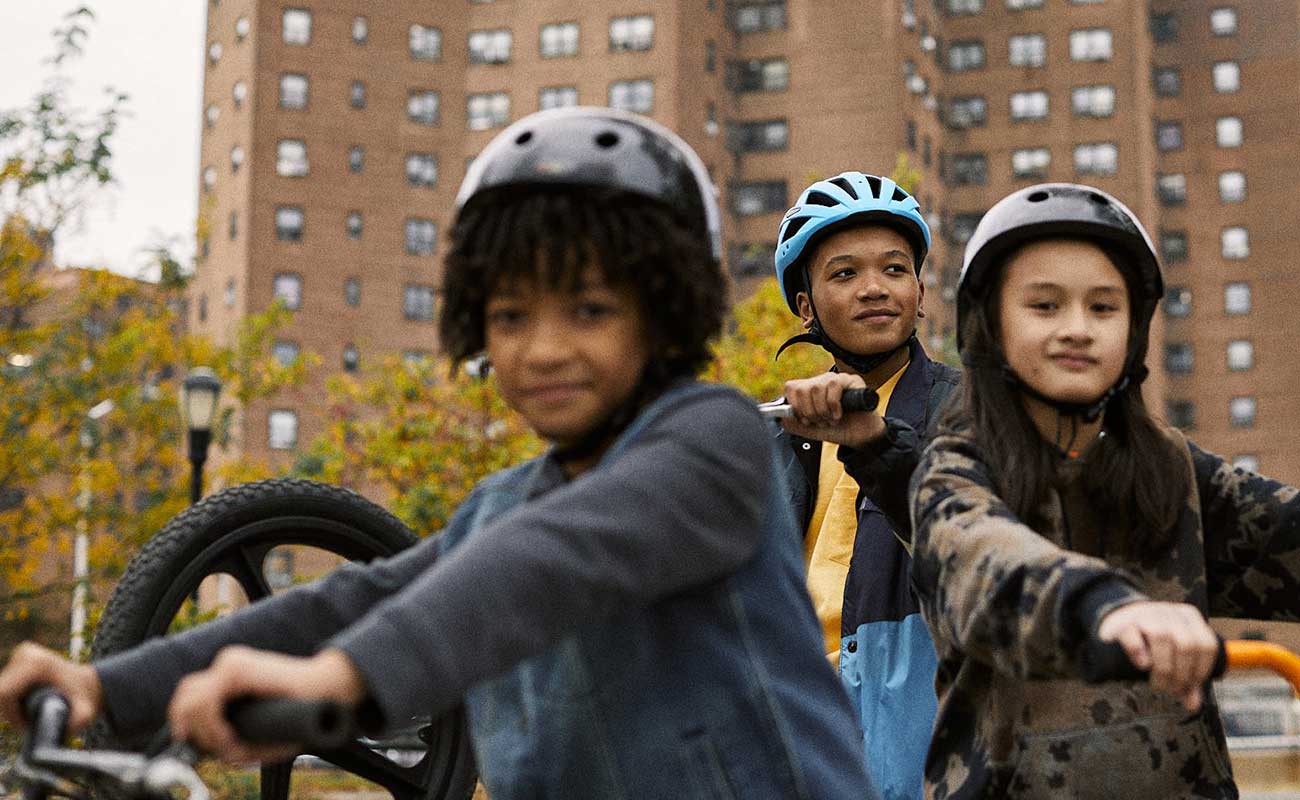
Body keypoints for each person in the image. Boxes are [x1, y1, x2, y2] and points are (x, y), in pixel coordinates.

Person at [0, 107, 875, 800]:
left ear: (668, 310)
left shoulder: (712, 445)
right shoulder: (506, 504)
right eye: (509, 317)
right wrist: (106, 687)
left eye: (590, 310)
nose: (541, 349)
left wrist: (342, 680)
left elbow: (554, 562)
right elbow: (356, 600)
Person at [909, 182, 1300, 798]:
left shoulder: (1168, 467)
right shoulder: (956, 465)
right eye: (1044, 306)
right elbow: (982, 560)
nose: (1077, 329)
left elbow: (1284, 537)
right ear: (990, 323)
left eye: (1103, 307)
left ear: (1135, 328)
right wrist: (1106, 607)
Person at [770, 171, 959, 799]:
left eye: (895, 269)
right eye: (844, 273)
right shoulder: (775, 438)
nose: (875, 289)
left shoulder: (975, 412)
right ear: (805, 306)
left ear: (922, 292)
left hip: (923, 748)